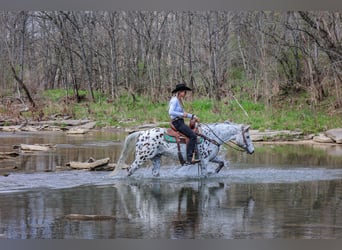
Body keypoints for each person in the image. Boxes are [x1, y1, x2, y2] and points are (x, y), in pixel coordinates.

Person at [169, 83, 200, 164]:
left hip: (180, 121)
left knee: (192, 133)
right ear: (180, 92)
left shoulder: (179, 101)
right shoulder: (174, 100)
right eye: (184, 92)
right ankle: (189, 158)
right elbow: (171, 112)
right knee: (193, 136)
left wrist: (193, 116)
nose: (185, 93)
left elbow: (184, 113)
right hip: (177, 122)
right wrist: (182, 114)